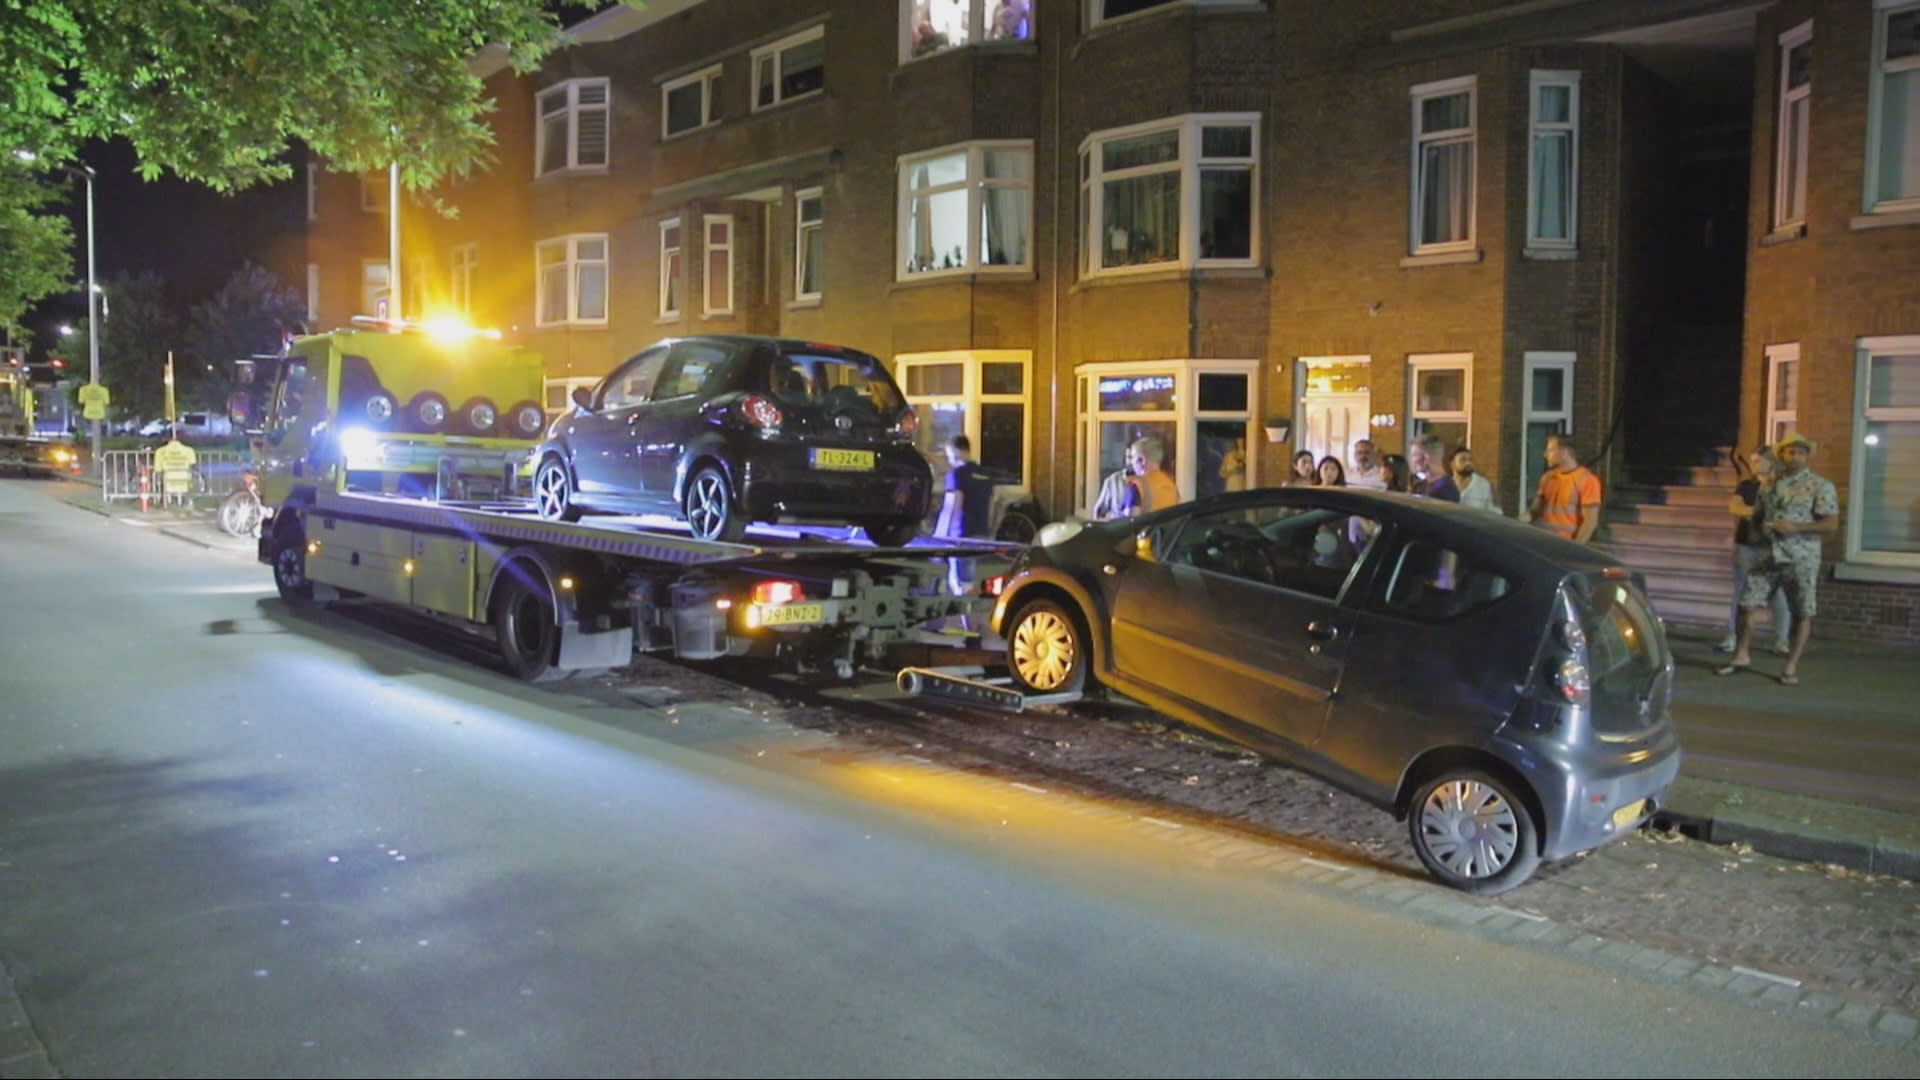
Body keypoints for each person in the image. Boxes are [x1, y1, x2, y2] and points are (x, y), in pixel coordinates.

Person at [1717, 433, 1839, 685]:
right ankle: (1741, 655)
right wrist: (1755, 536)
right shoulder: (1769, 484)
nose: (1794, 457)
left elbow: (1830, 524)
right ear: (1781, 455)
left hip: (1800, 557)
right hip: (1767, 554)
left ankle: (1791, 666)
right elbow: (1756, 515)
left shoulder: (1821, 486)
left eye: (1800, 453)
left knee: (1802, 611)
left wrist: (1797, 527)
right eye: (1790, 452)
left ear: (1807, 457)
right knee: (1747, 604)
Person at [1719, 445, 1793, 656]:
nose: (1754, 465)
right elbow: (1735, 507)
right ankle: (1732, 637)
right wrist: (1759, 512)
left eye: (1758, 460)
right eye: (1752, 461)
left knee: (1777, 592)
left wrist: (1757, 513)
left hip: (1770, 546)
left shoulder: (1780, 486)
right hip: (1745, 544)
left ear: (1771, 462)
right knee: (1740, 590)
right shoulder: (1747, 485)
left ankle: (1781, 639)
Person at [934, 433, 993, 628]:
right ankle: (966, 626)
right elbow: (993, 505)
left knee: (962, 585)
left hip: (962, 535)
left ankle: (972, 630)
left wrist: (939, 536)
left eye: (950, 455)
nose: (950, 460)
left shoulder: (957, 475)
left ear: (957, 451)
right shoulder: (984, 474)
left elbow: (953, 505)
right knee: (963, 581)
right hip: (982, 534)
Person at [1528, 433, 1602, 543]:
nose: (1545, 455)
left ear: (1563, 452)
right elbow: (1535, 512)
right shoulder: (1547, 478)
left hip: (1565, 544)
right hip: (1542, 541)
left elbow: (1590, 522)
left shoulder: (1588, 480)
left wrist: (1575, 549)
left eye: (1550, 450)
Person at [1120, 436, 1180, 518]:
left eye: (1133, 457)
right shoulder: (1172, 486)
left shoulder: (1138, 485)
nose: (1131, 462)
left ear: (1142, 460)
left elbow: (1130, 521)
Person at [1426, 446, 1497, 511]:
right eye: (1463, 460)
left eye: (1470, 460)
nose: (1468, 463)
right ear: (1452, 464)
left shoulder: (1483, 485)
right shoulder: (1445, 485)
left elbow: (1492, 510)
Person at [1407, 433, 1452, 499]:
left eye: (1414, 455)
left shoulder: (1438, 491)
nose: (1411, 459)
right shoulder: (1427, 486)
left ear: (1426, 458)